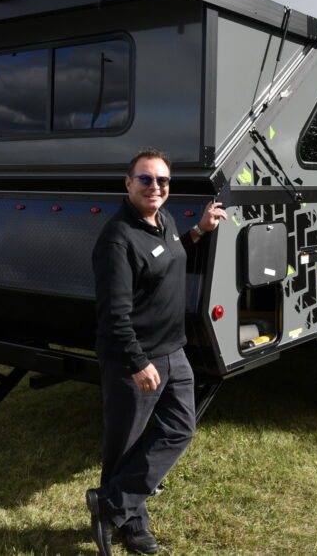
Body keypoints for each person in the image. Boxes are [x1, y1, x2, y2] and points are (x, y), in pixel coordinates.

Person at [87, 148, 227, 555]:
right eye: (146, 179)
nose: (155, 186)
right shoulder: (118, 239)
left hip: (173, 351)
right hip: (135, 359)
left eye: (162, 180)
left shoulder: (161, 221)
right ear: (128, 183)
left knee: (180, 429)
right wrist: (137, 362)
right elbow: (114, 315)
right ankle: (133, 523)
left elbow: (167, 259)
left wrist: (198, 232)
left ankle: (110, 504)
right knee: (125, 444)